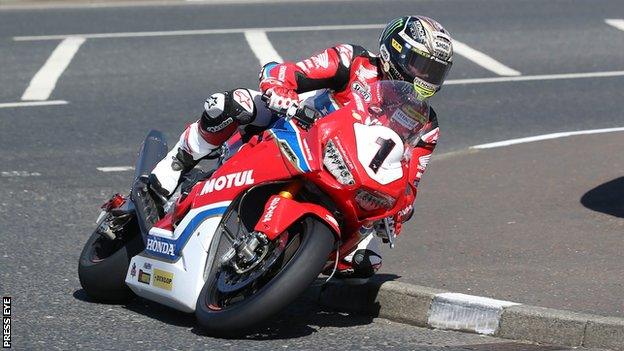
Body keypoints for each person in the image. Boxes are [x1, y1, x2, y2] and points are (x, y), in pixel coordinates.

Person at [149, 15, 454, 278]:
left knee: (365, 264)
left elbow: (409, 181)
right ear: (394, 51)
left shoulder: (427, 124)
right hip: (295, 130)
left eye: (434, 72)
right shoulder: (353, 60)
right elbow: (286, 73)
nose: (425, 77)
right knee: (228, 104)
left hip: (348, 177)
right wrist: (280, 91)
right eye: (421, 66)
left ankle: (287, 263)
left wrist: (398, 212)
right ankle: (177, 162)